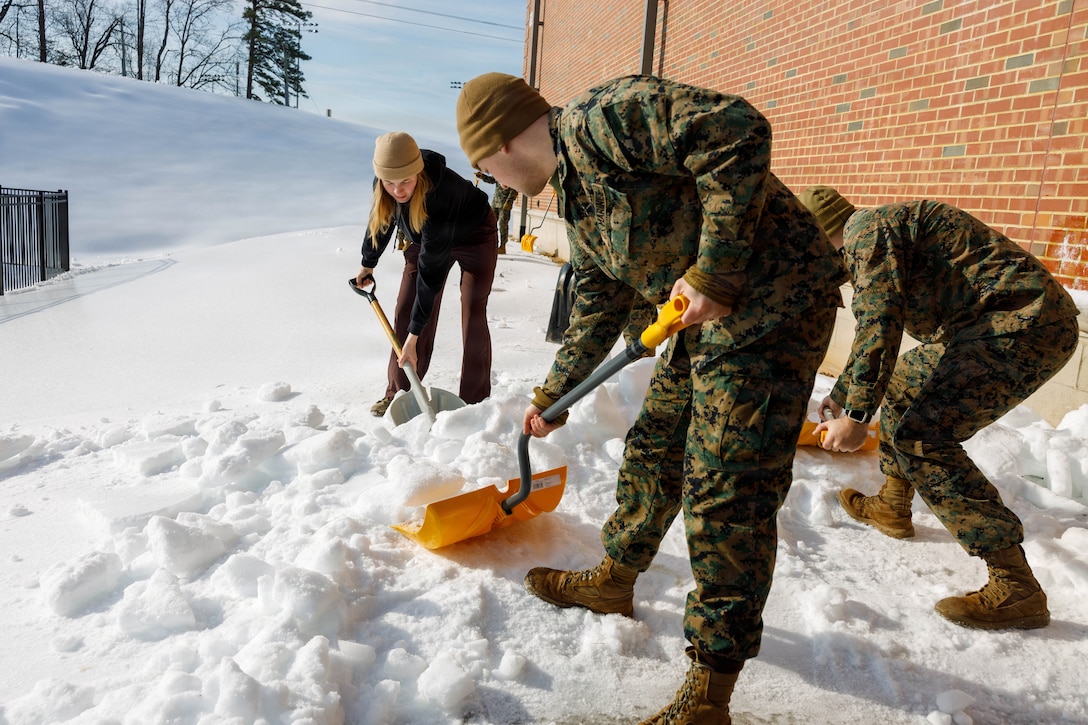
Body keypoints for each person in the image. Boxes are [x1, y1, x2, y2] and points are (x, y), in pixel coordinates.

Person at [457, 73, 848, 724]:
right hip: (711, 322)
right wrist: (555, 394)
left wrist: (715, 268)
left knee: (726, 485)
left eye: (482, 166)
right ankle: (615, 578)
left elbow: (736, 129)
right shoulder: (577, 197)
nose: (492, 181)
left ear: (500, 142)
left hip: (778, 305)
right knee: (657, 445)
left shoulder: (604, 119)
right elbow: (600, 300)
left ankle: (709, 690)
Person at [800, 186, 1080, 630]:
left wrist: (856, 418)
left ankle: (1015, 586)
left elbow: (880, 320)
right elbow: (877, 326)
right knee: (904, 383)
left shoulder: (866, 233)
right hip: (991, 325)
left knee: (924, 434)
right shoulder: (876, 231)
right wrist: (846, 389)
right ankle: (893, 503)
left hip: (1022, 326)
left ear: (818, 234)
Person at [356, 131, 498, 416]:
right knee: (406, 308)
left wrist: (414, 337)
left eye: (406, 181)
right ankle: (397, 394)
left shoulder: (439, 194)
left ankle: (473, 401)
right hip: (427, 236)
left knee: (472, 311)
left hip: (475, 234)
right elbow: (382, 220)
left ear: (418, 173)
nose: (398, 190)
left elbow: (430, 274)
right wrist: (368, 262)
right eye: (389, 183)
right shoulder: (387, 183)